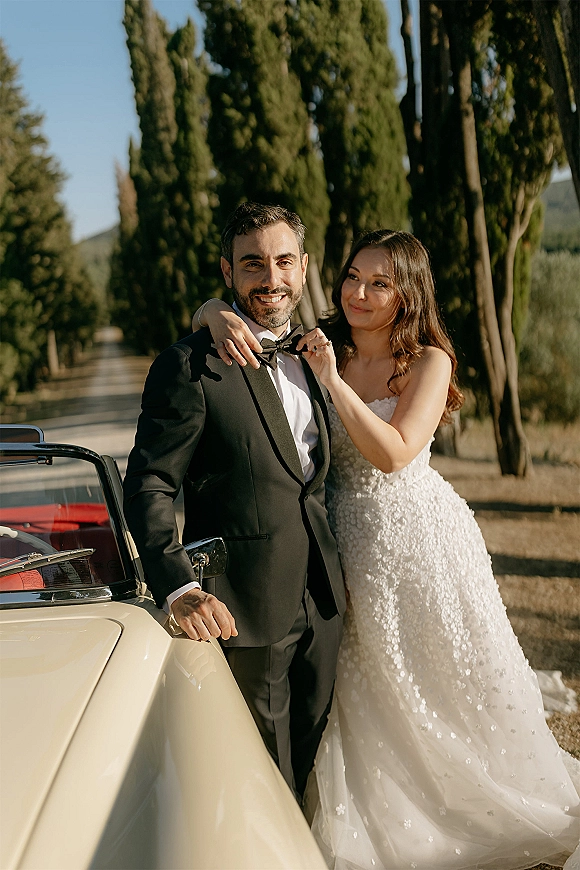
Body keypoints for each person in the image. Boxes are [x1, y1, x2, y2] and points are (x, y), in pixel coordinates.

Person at [193, 229, 580, 869]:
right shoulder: (319, 342)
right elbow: (252, 315)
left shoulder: (430, 362)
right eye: (352, 277)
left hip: (419, 540)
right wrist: (212, 311)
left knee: (443, 676)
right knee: (365, 684)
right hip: (340, 535)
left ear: (408, 293)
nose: (359, 294)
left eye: (380, 283)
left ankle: (478, 799)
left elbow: (395, 453)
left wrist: (331, 382)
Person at [123, 202, 345, 801]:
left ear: (303, 268)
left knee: (317, 771)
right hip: (244, 610)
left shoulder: (321, 349)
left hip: (325, 600)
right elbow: (149, 484)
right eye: (252, 264)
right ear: (228, 272)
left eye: (282, 262)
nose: (270, 279)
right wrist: (177, 586)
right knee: (262, 785)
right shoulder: (188, 366)